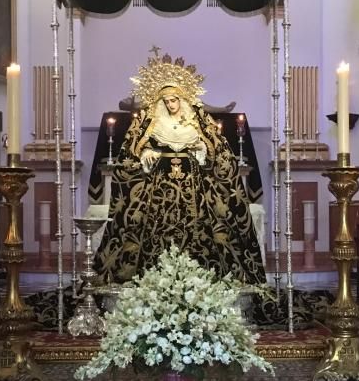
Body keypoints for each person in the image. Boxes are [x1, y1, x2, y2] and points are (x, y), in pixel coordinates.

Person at [94, 51, 265, 285]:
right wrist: (147, 154)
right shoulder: (150, 121)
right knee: (147, 228)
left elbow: (219, 152)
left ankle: (202, 282)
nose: (170, 105)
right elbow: (129, 153)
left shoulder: (199, 120)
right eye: (166, 102)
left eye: (174, 100)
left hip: (194, 186)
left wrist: (201, 150)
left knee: (206, 228)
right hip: (158, 188)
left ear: (183, 99)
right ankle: (152, 282)